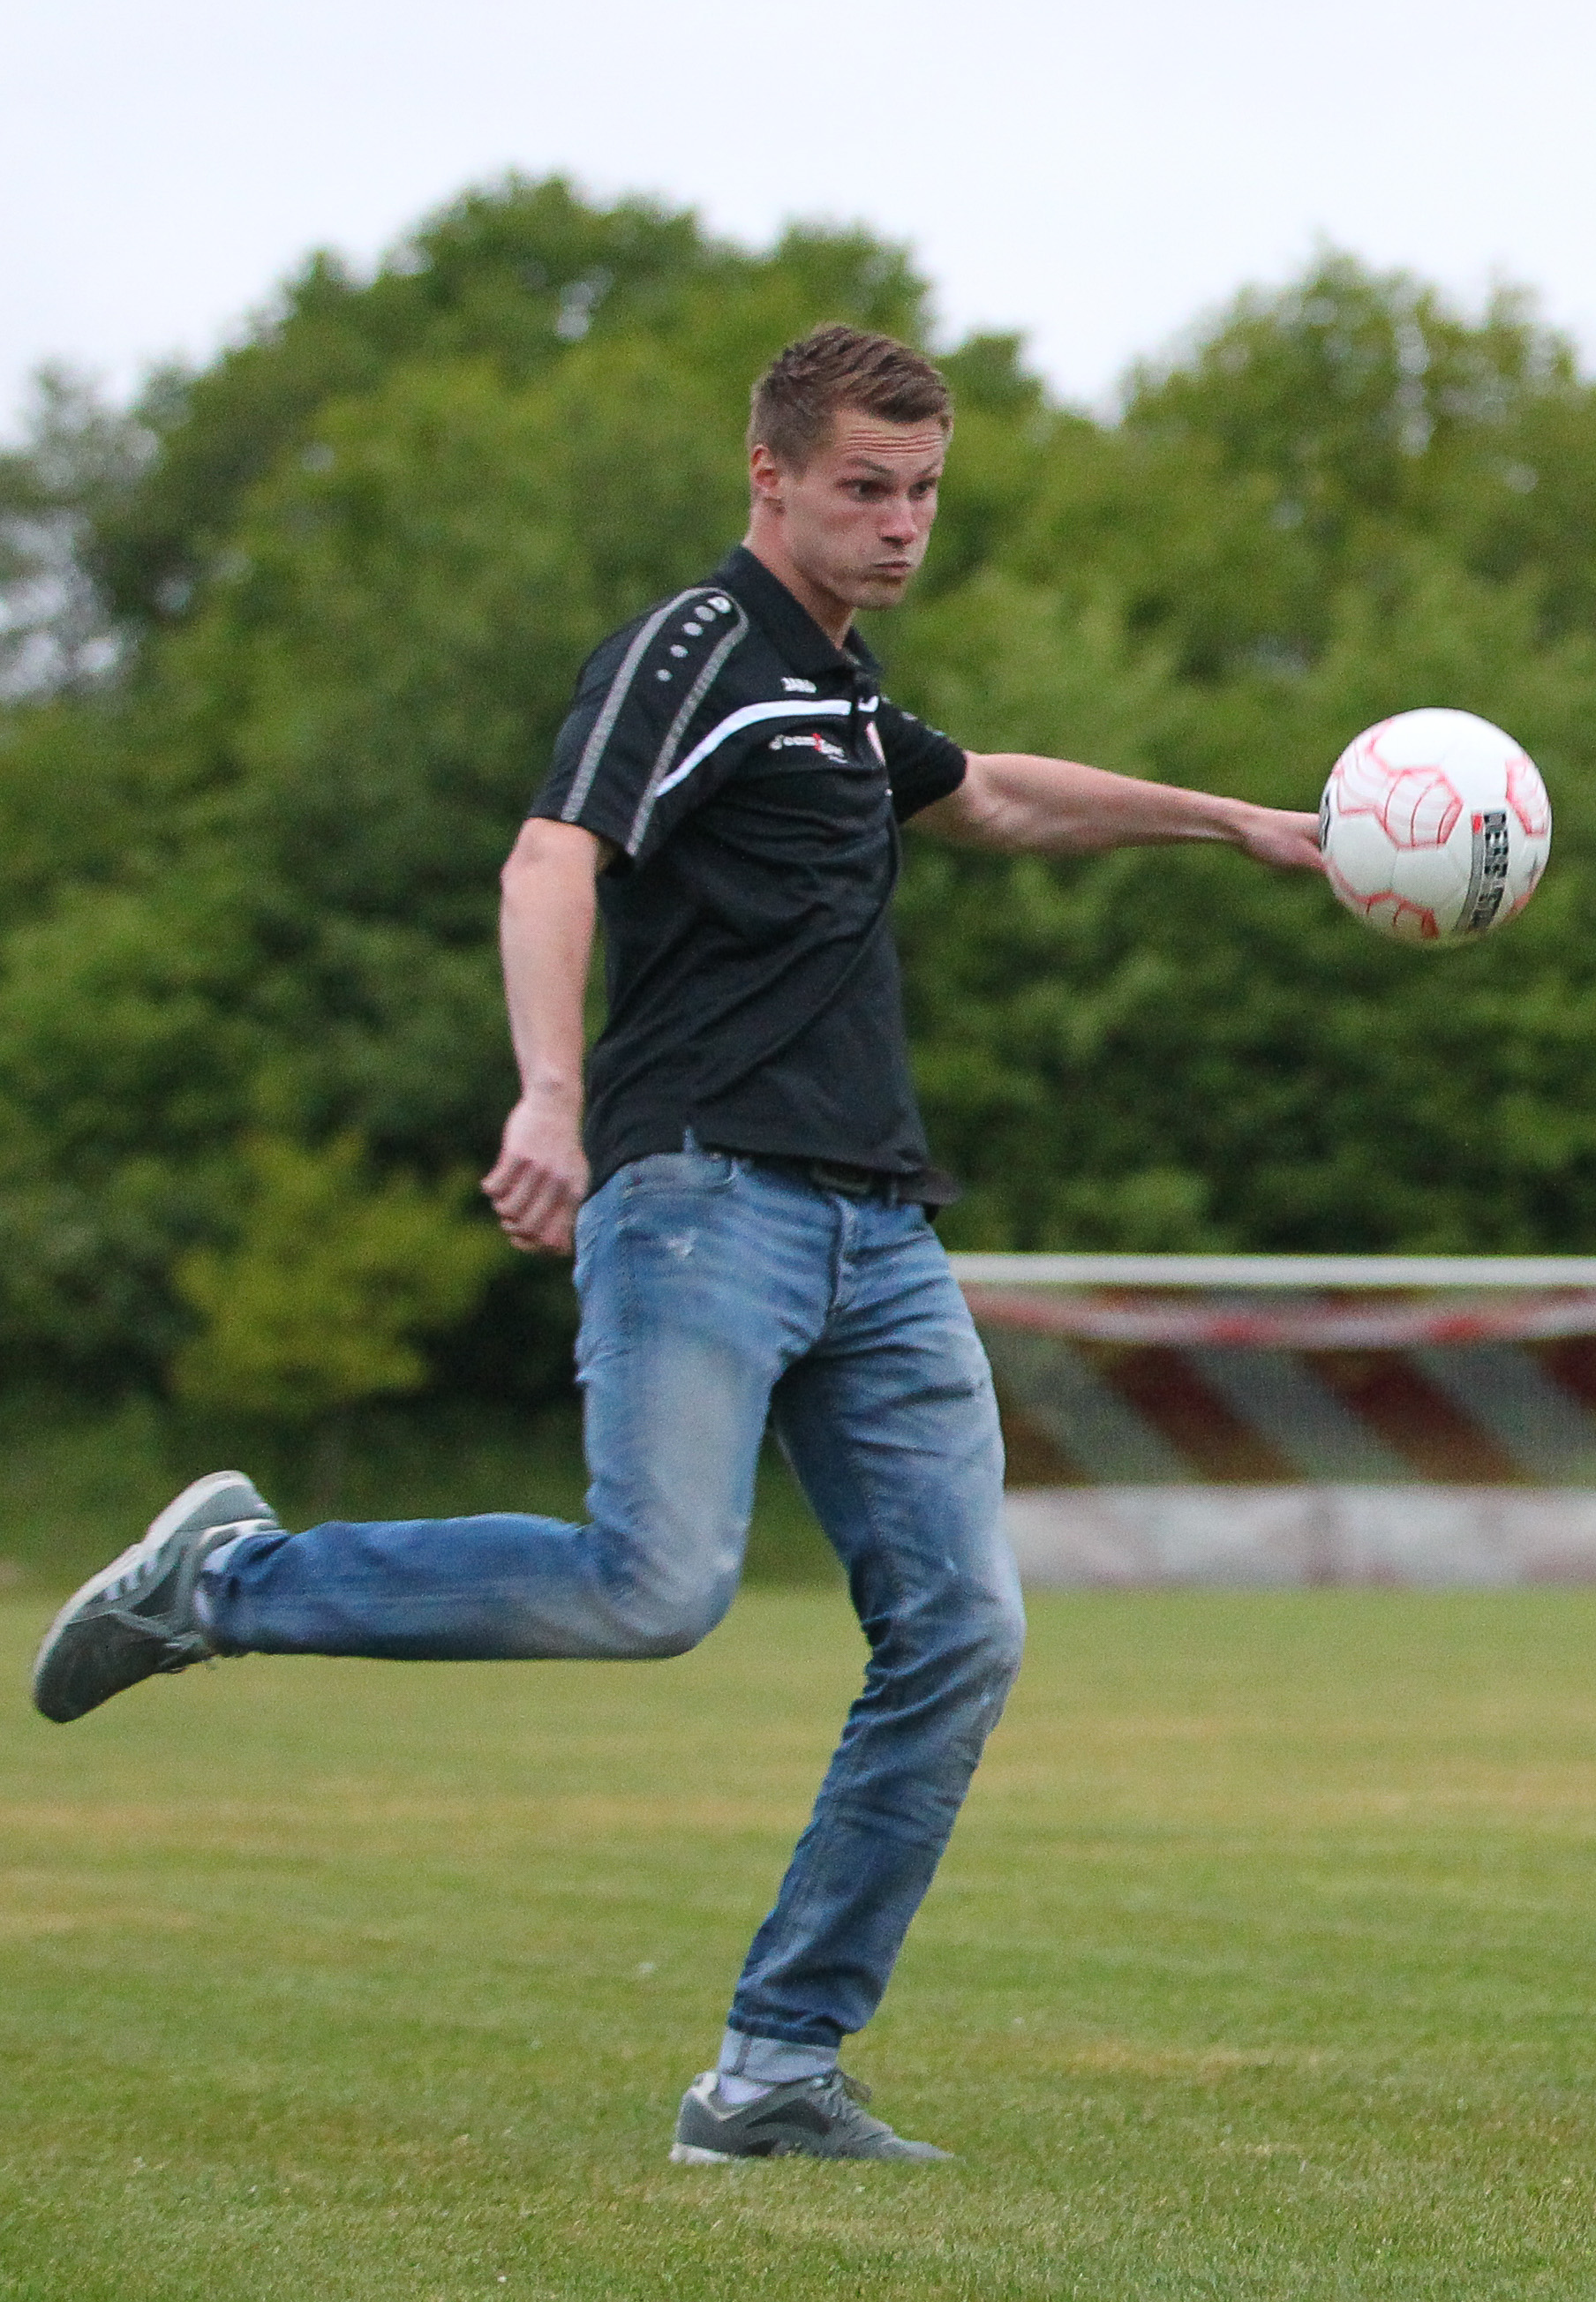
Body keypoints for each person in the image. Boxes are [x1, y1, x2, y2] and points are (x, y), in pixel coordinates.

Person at [28, 324, 1328, 2163]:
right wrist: (547, 1098)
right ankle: (223, 1582)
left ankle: (774, 2073)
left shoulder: (847, 704)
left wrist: (1236, 825)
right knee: (654, 1587)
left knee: (959, 1631)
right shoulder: (696, 652)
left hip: (881, 1235)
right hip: (704, 1194)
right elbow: (551, 860)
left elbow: (997, 797)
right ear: (771, 481)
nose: (899, 526)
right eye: (866, 489)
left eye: (924, 492)